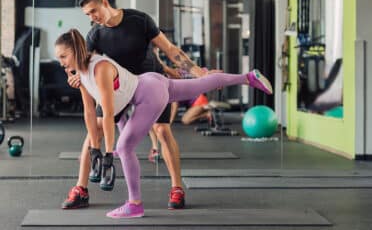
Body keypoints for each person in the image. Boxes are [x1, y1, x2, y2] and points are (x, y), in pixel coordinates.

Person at [55, 28, 272, 218]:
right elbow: (90, 112)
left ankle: (134, 204)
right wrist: (95, 148)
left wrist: (109, 152)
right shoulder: (80, 74)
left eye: (64, 56)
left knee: (124, 147)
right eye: (59, 58)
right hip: (150, 81)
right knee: (199, 84)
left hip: (148, 94)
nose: (61, 62)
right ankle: (248, 78)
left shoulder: (98, 68)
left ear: (76, 50)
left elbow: (109, 112)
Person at [62, 0, 210, 210]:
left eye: (93, 11)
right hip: (118, 88)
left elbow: (170, 50)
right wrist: (75, 77)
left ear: (104, 2)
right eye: (87, 15)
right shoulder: (95, 34)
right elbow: (85, 66)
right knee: (97, 128)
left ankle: (177, 188)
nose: (92, 18)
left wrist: (198, 72)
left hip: (149, 83)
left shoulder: (139, 20)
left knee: (162, 130)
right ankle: (81, 189)